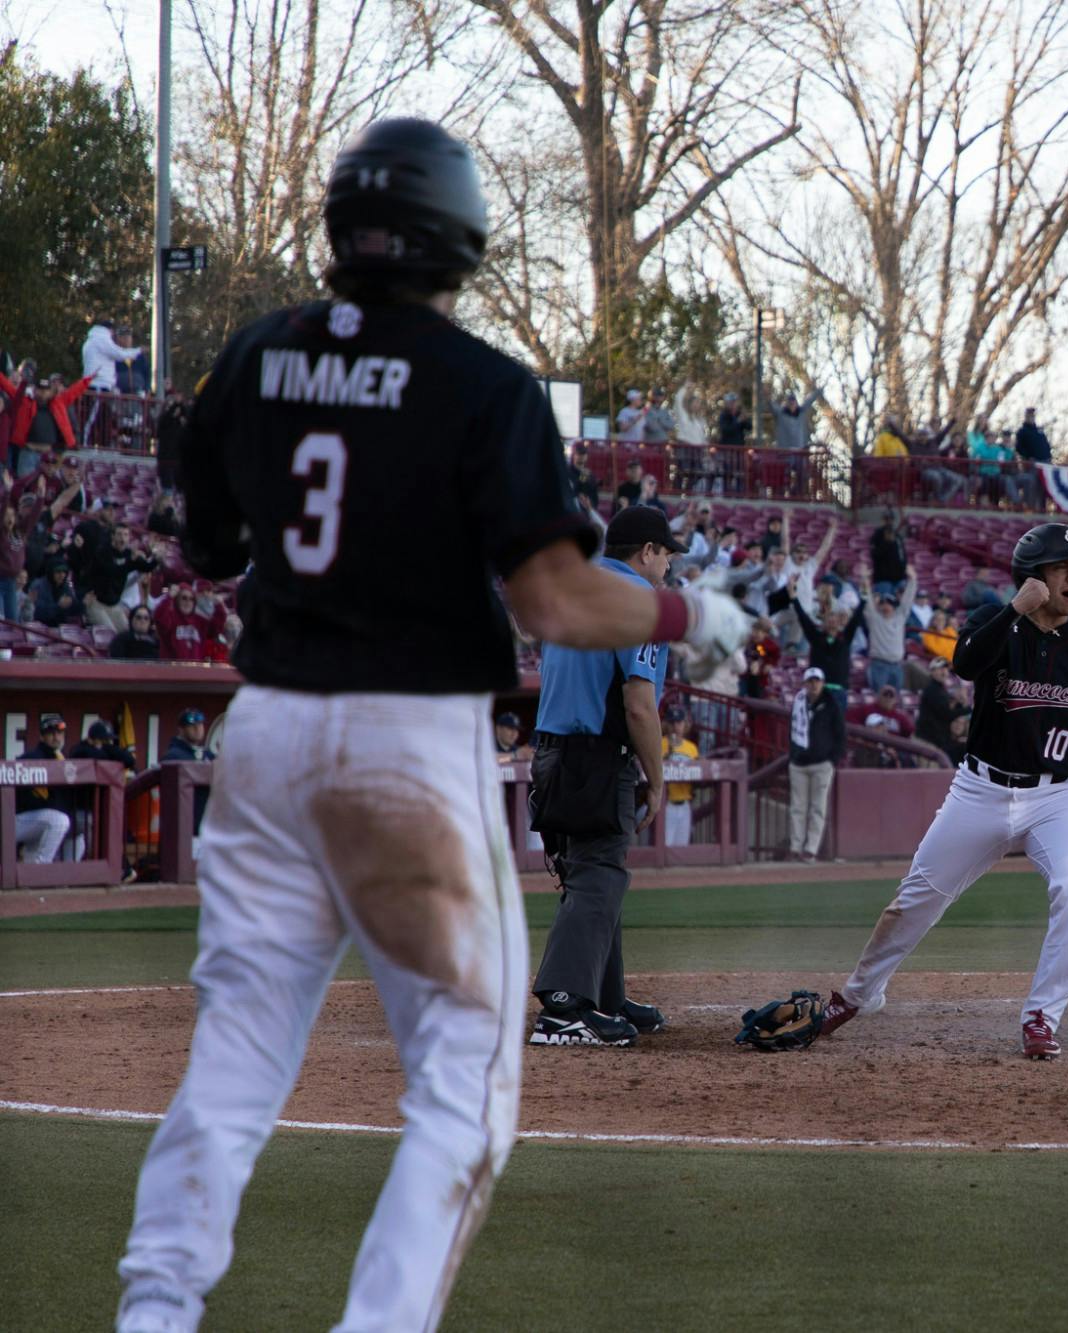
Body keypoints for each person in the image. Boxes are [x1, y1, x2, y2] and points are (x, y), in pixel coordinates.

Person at [115, 119, 749, 1333]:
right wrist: (691, 611)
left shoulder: (257, 350)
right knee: (461, 1078)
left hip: (268, 730)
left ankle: (153, 1313)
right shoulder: (482, 383)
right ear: (457, 234)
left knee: (235, 1057)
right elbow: (554, 598)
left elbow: (210, 547)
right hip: (405, 743)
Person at [816, 523, 1068, 1059]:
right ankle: (858, 995)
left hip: (1059, 796)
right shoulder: (994, 624)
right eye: (1062, 567)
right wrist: (1015, 609)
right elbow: (965, 662)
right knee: (916, 899)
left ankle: (1042, 1016)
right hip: (981, 789)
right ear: (1032, 576)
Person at [528, 501, 685, 1050]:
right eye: (666, 553)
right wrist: (657, 779)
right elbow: (638, 704)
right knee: (598, 872)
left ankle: (604, 995)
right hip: (595, 754)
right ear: (647, 551)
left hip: (552, 751)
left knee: (595, 870)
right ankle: (565, 1006)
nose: (668, 565)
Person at [788, 666, 845, 858]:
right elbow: (792, 731)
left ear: (822, 683)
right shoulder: (798, 703)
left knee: (817, 808)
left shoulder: (831, 704)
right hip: (799, 763)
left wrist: (832, 760)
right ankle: (795, 847)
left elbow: (840, 734)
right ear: (805, 683)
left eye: (817, 681)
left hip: (822, 764)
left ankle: (810, 849)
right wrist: (793, 755)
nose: (814, 685)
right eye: (810, 681)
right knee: (798, 807)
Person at [13, 713, 72, 864]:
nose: (56, 737)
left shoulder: (61, 759)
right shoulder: (32, 757)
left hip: (38, 821)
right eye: (51, 733)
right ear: (42, 736)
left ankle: (37, 871)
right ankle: (42, 868)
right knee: (60, 821)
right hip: (16, 820)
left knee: (73, 830)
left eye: (59, 733)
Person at [661, 707, 699, 847]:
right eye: (672, 723)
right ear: (666, 725)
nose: (675, 727)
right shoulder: (659, 744)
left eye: (679, 722)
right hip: (665, 804)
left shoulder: (691, 748)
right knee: (664, 847)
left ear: (685, 724)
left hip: (685, 804)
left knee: (682, 849)